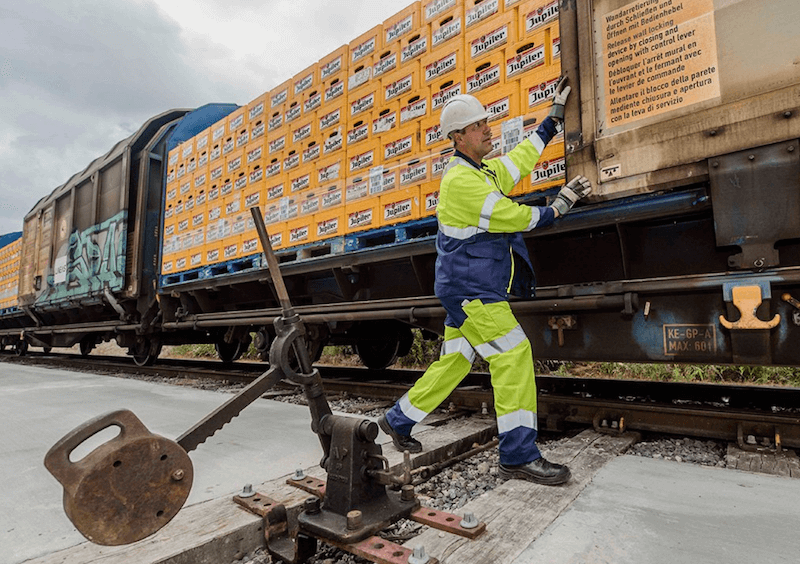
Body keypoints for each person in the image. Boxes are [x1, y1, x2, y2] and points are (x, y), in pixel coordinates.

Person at [378, 78, 591, 485]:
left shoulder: (484, 171)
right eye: (478, 126)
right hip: (473, 290)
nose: (488, 129)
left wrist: (552, 119)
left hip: (464, 286)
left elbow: (520, 160)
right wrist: (558, 207)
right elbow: (511, 215)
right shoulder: (462, 182)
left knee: (456, 360)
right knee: (513, 355)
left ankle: (398, 420)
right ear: (459, 137)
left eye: (486, 122)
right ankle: (518, 454)